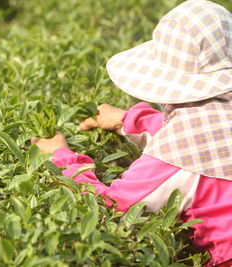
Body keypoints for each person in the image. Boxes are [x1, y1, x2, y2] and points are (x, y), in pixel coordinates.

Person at [31, 0, 232, 266]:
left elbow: (115, 210)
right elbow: (208, 132)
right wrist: (128, 120)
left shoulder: (175, 159)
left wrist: (61, 158)